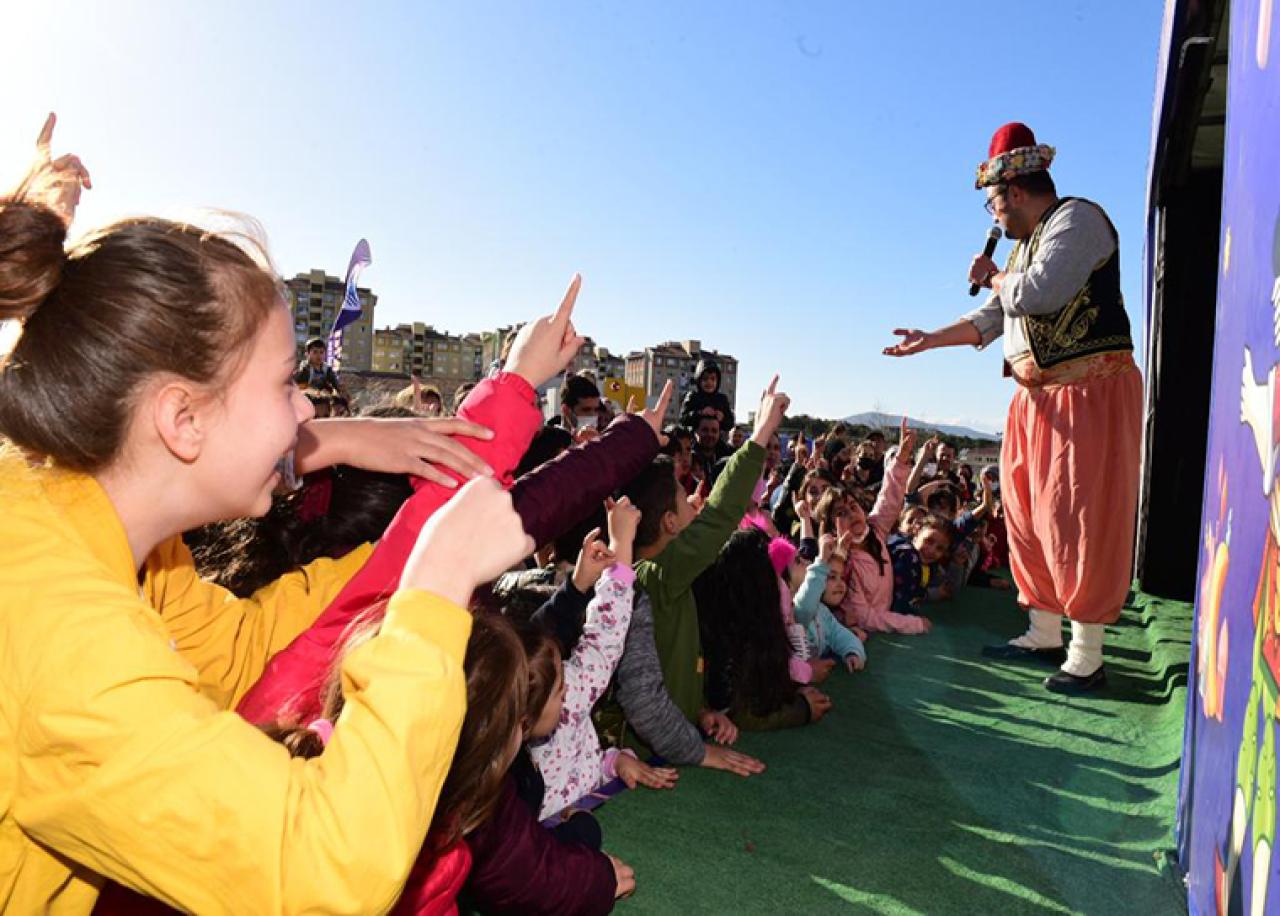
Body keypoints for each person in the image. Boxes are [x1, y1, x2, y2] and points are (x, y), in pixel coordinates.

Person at [884, 121, 1142, 694]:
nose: (994, 219)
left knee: (1078, 517)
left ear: (1017, 192)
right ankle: (1044, 629)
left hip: (1087, 391)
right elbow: (992, 319)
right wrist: (929, 338)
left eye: (995, 206)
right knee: (1027, 514)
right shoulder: (1025, 248)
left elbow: (1038, 292)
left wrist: (996, 275)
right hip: (1035, 397)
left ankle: (1087, 652)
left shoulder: (1077, 222)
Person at [678, 357, 735, 433]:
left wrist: (722, 418)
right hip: (696, 439)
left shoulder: (722, 399)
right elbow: (682, 419)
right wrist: (700, 413)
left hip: (716, 440)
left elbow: (730, 424)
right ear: (699, 380)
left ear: (717, 381)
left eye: (713, 379)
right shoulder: (692, 396)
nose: (709, 382)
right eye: (705, 379)